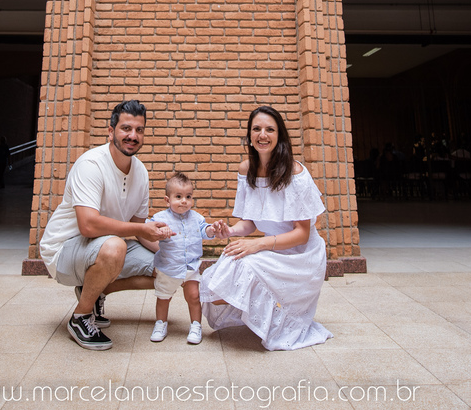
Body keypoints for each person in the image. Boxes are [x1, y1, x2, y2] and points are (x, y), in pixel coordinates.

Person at [38, 100, 173, 350]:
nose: (133, 136)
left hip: (105, 247)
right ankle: (80, 317)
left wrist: (172, 254)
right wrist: (139, 230)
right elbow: (88, 226)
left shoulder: (141, 173)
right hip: (65, 250)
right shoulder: (91, 164)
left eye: (139, 130)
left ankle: (96, 290)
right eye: (126, 128)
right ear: (111, 132)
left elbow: (138, 227)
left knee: (168, 269)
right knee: (114, 247)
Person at [199, 105, 332, 350]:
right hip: (271, 246)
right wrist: (230, 231)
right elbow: (250, 223)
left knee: (246, 265)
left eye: (270, 129)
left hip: (301, 254)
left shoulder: (296, 173)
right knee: (218, 281)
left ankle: (279, 318)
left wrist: (258, 245)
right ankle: (262, 315)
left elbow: (302, 234)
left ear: (279, 136)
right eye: (257, 129)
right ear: (249, 135)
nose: (263, 135)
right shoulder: (245, 170)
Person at [145, 172, 220, 345]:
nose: (184, 201)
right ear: (167, 200)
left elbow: (204, 230)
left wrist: (210, 230)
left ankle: (195, 325)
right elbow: (148, 230)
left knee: (194, 296)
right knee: (164, 297)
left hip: (191, 267)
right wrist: (158, 232)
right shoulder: (160, 218)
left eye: (188, 196)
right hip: (169, 267)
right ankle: (161, 323)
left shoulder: (196, 218)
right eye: (178, 197)